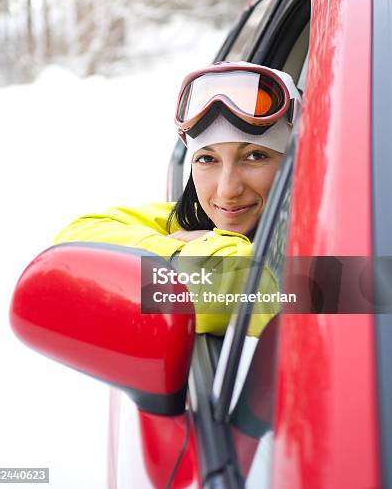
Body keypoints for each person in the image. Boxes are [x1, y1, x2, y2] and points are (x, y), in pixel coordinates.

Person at [54, 61, 302, 336]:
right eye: (207, 159)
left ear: (295, 163)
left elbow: (238, 278)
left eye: (255, 156)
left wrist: (201, 247)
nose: (226, 190)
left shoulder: (324, 271)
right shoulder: (195, 218)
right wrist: (189, 250)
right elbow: (73, 241)